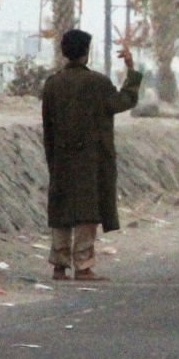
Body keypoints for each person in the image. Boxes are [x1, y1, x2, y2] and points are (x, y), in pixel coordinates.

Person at [40, 29, 142, 281]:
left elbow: (48, 128)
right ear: (86, 52)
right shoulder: (98, 83)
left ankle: (59, 265)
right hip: (92, 158)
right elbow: (123, 102)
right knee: (88, 210)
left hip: (61, 157)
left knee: (62, 210)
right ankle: (83, 266)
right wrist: (132, 71)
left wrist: (52, 158)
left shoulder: (52, 84)